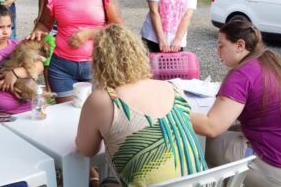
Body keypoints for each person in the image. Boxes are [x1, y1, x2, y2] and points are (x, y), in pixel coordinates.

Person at [76, 24, 207, 186]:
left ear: (98, 63)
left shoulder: (103, 100)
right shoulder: (173, 87)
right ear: (139, 54)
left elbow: (87, 150)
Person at [191, 20, 281, 187]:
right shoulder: (274, 62)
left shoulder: (241, 74)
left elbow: (211, 127)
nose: (217, 52)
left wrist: (174, 108)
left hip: (273, 170)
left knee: (201, 140)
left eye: (221, 46)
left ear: (240, 45)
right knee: (229, 128)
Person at [28, 0, 123, 103]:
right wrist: (38, 32)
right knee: (67, 121)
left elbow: (118, 29)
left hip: (97, 65)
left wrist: (90, 33)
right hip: (61, 68)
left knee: (96, 118)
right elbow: (44, 23)